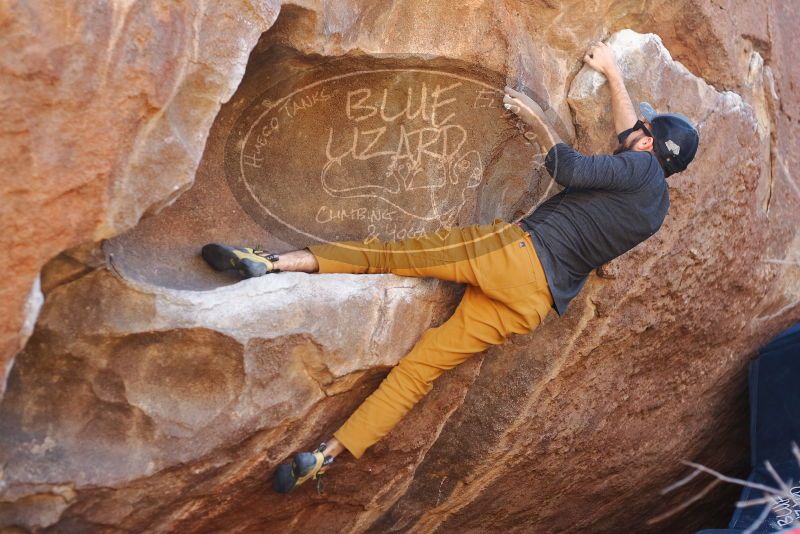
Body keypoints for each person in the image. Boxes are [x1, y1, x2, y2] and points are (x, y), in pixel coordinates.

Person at [200, 41, 700, 494]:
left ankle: (272, 264)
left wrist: (536, 119)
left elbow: (567, 167)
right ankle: (327, 456)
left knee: (390, 254)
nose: (634, 129)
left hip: (514, 256)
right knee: (421, 371)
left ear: (648, 145)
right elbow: (629, 133)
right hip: (534, 303)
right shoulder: (655, 208)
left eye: (643, 131)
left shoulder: (638, 165)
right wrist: (612, 72)